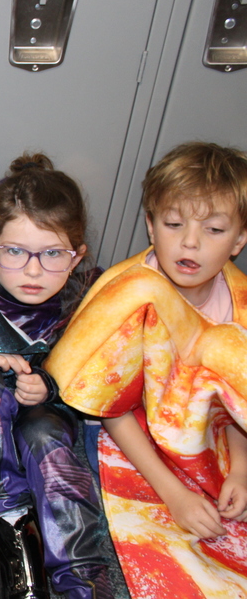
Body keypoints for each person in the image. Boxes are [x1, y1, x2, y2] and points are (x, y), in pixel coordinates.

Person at [46, 141, 247, 598]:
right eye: (174, 224)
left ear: (239, 240)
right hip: (126, 426)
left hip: (206, 432)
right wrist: (173, 494)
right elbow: (111, 408)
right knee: (169, 545)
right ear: (151, 227)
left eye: (214, 229)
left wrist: (240, 470)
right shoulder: (127, 293)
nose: (190, 242)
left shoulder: (239, 300)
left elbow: (233, 402)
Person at [0, 154, 111, 599]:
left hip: (45, 417)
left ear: (77, 257)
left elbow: (102, 369)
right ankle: (13, 524)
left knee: (48, 448)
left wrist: (50, 385)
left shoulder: (88, 299)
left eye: (53, 253)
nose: (33, 270)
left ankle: (82, 578)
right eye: (15, 251)